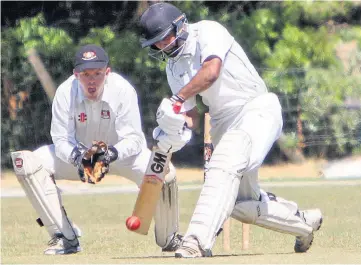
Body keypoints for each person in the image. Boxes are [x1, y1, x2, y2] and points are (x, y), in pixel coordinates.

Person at [139, 3, 324, 258]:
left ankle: (195, 241)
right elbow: (191, 117)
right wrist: (170, 129)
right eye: (156, 43)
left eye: (165, 38)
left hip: (255, 108)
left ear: (180, 25)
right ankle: (303, 224)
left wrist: (177, 99)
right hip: (222, 123)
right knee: (239, 204)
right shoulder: (173, 68)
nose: (163, 46)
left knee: (224, 164)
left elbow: (211, 72)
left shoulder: (208, 31)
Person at [10, 44, 183, 255]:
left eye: (98, 74)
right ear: (76, 74)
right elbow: (61, 138)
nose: (92, 80)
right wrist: (78, 157)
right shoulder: (66, 92)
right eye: (85, 74)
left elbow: (135, 138)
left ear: (107, 73)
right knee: (27, 162)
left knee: (165, 170)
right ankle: (64, 237)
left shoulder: (122, 89)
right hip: (79, 158)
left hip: (120, 156)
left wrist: (109, 154)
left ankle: (169, 237)